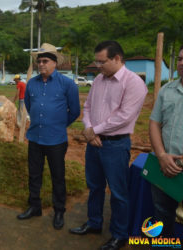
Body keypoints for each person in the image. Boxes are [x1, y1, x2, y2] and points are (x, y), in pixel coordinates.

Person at [69, 41, 148, 250]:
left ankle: (119, 235)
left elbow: (124, 116)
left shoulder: (134, 83)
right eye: (97, 61)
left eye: (102, 61)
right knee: (94, 187)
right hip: (94, 143)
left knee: (117, 191)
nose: (98, 65)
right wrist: (88, 129)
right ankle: (94, 223)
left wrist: (94, 130)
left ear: (117, 59)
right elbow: (87, 107)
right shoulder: (99, 80)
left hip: (115, 145)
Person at [17, 43, 80, 230]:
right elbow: (28, 104)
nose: (41, 64)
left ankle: (59, 210)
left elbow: (74, 111)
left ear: (55, 63)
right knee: (34, 175)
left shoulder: (67, 85)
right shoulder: (31, 84)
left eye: (45, 61)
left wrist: (58, 125)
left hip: (56, 140)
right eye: (39, 61)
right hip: (35, 138)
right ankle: (34, 206)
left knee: (58, 176)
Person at [149, 45, 183, 240]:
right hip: (165, 167)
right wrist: (161, 156)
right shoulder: (166, 90)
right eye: (179, 58)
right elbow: (154, 123)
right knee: (162, 214)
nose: (182, 63)